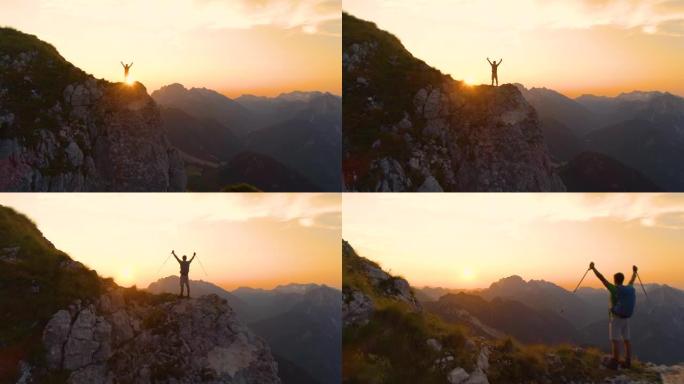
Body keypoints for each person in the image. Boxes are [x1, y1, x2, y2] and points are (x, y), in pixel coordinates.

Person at [589, 262, 638, 369]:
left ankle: (615, 362)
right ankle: (628, 361)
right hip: (626, 318)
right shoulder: (628, 289)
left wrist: (593, 269)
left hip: (616, 318)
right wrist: (634, 272)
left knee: (615, 340)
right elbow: (632, 281)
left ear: (615, 280)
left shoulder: (614, 289)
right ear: (622, 280)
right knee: (626, 340)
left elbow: (602, 278)